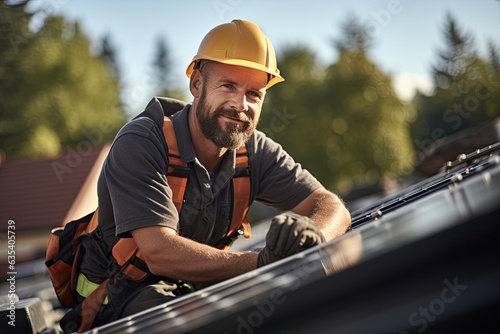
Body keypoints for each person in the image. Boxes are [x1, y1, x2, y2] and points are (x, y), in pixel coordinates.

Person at [64, 19, 351, 332]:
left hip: (195, 286)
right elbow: (159, 251)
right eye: (228, 86)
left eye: (254, 94)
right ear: (197, 85)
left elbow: (331, 205)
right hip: (117, 298)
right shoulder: (141, 142)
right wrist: (263, 263)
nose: (240, 105)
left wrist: (313, 237)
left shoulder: (253, 150)